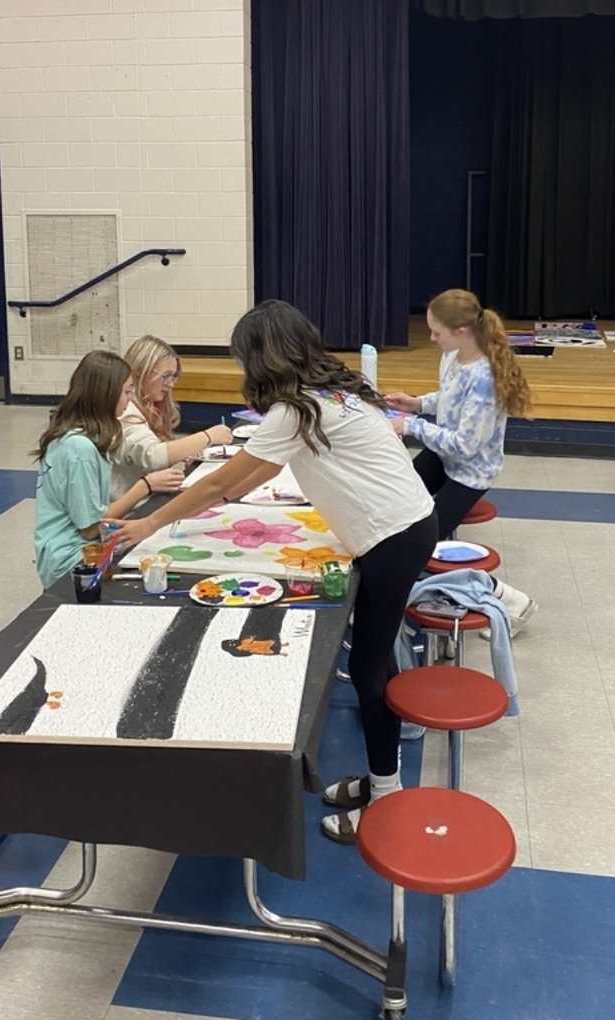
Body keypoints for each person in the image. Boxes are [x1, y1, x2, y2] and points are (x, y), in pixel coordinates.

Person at [108, 300, 438, 844]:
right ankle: (381, 782)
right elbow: (261, 467)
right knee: (374, 663)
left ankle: (385, 795)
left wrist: (151, 525)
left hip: (393, 537)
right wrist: (233, 487)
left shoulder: (295, 408)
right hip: (406, 525)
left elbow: (219, 484)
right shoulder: (335, 392)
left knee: (373, 671)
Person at [385, 288, 537, 635]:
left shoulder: (484, 378)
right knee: (395, 500)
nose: (432, 337)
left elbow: (466, 446)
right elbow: (450, 400)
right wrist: (417, 403)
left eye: (437, 332)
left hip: (470, 471)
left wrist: (411, 425)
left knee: (418, 540)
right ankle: (405, 591)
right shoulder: (454, 356)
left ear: (462, 332)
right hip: (444, 455)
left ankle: (512, 601)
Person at [32, 350, 184, 589]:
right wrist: (145, 486)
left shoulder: (81, 436)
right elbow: (91, 528)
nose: (131, 399)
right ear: (106, 395)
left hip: (73, 548)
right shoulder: (79, 449)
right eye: (127, 392)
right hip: (70, 558)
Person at [110, 335, 233, 502]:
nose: (171, 384)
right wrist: (208, 436)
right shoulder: (125, 411)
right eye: (166, 376)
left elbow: (155, 449)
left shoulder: (151, 409)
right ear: (140, 372)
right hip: (130, 509)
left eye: (174, 377)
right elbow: (152, 456)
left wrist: (184, 450)